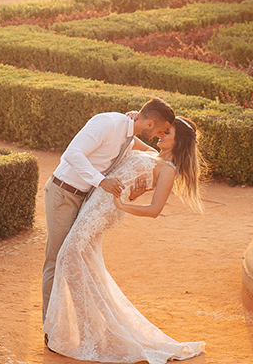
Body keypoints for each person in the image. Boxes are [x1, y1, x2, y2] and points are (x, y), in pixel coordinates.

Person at [43, 115, 205, 363]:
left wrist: (124, 204)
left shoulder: (168, 170)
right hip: (91, 204)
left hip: (101, 212)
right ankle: (94, 331)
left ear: (179, 143)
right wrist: (132, 117)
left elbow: (154, 210)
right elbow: (128, 139)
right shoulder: (155, 155)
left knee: (70, 257)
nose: (161, 134)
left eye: (168, 133)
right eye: (163, 130)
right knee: (82, 265)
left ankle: (87, 333)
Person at [42, 97, 176, 328]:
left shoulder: (128, 136)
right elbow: (72, 154)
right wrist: (101, 181)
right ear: (151, 124)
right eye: (160, 131)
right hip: (63, 194)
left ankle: (84, 325)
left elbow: (153, 156)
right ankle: (51, 328)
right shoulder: (108, 123)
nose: (157, 137)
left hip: (85, 199)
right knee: (57, 260)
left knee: (76, 259)